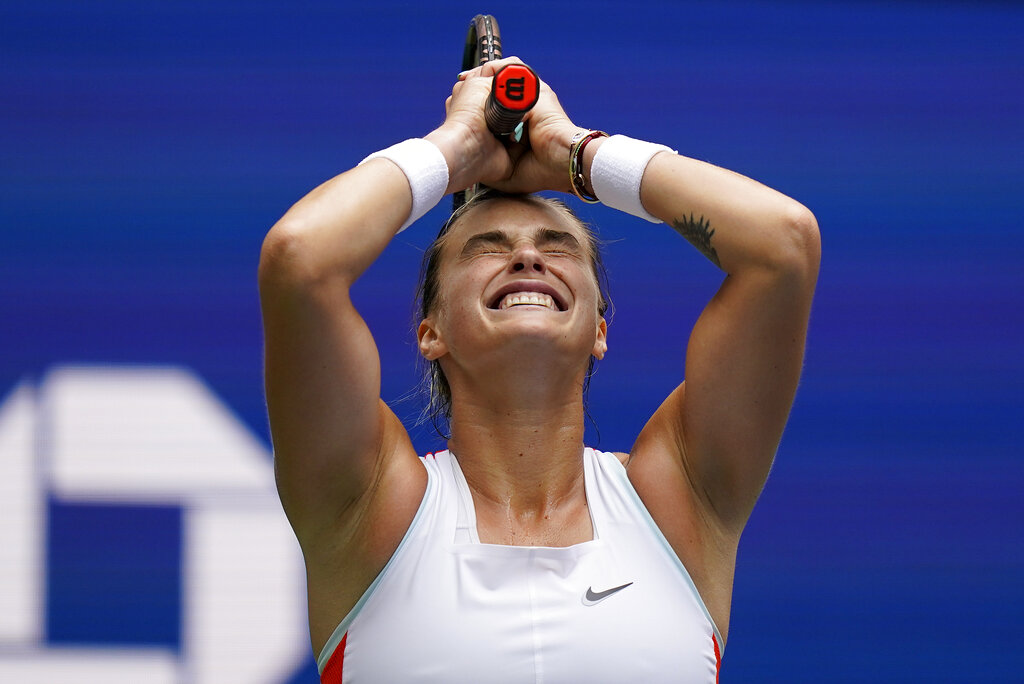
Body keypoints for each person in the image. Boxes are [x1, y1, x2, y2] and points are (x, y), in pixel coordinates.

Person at [258, 57, 820, 683]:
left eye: (559, 250)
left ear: (599, 329)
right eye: (488, 248)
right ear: (430, 330)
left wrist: (574, 154)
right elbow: (300, 257)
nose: (527, 255)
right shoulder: (366, 504)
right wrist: (457, 146)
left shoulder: (680, 497)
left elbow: (784, 243)